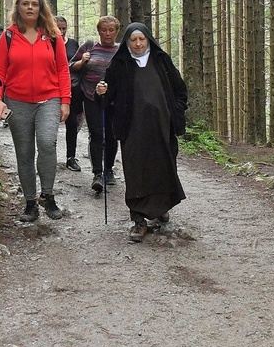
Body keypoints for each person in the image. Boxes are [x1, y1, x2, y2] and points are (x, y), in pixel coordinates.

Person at [95, 22, 188, 243]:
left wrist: (175, 110)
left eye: (141, 39)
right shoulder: (119, 64)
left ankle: (160, 207)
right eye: (133, 40)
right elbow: (107, 99)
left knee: (163, 166)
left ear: (148, 40)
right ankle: (138, 219)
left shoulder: (161, 60)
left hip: (161, 127)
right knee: (136, 171)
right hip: (132, 128)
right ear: (127, 42)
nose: (138, 44)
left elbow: (179, 89)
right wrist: (101, 92)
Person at [0, 0, 71, 222]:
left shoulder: (53, 35)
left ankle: (48, 195)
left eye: (34, 4)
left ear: (41, 7)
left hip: (49, 100)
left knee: (47, 143)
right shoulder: (9, 36)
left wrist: (65, 100)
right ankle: (31, 202)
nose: (30, 8)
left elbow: (63, 70)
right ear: (18, 8)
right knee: (24, 153)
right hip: (17, 101)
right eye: (25, 4)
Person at [69, 15, 120, 192]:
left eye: (111, 30)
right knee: (97, 134)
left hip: (114, 101)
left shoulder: (122, 50)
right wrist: (83, 61)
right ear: (98, 31)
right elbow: (70, 66)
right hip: (90, 97)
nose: (107, 33)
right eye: (104, 30)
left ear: (116, 32)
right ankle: (97, 173)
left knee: (113, 135)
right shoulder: (89, 46)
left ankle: (109, 170)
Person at [56, 16, 82, 172]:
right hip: (52, 89)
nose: (61, 31)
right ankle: (48, 157)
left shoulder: (73, 44)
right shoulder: (47, 43)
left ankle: (70, 157)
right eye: (58, 27)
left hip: (73, 88)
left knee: (72, 122)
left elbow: (78, 63)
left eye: (64, 28)